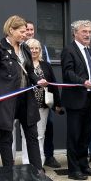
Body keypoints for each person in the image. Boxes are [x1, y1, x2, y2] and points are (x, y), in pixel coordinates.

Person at [0, 15, 47, 174]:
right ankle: (8, 173)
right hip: (7, 100)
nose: (25, 34)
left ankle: (37, 171)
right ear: (11, 30)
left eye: (26, 31)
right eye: (21, 31)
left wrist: (38, 81)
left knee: (32, 135)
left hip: (26, 98)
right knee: (6, 137)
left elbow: (30, 71)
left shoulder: (25, 48)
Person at [61, 20, 91, 180]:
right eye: (84, 31)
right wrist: (82, 81)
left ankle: (84, 165)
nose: (88, 35)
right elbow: (67, 72)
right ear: (75, 33)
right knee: (74, 136)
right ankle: (73, 170)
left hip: (90, 99)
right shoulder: (68, 50)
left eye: (89, 32)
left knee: (86, 135)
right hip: (75, 100)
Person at [19, 38, 62, 166]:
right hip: (26, 106)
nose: (34, 50)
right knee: (26, 136)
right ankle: (27, 163)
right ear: (26, 50)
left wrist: (58, 104)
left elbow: (53, 85)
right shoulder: (22, 65)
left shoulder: (46, 65)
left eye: (36, 48)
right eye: (31, 48)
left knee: (40, 135)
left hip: (43, 106)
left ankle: (39, 163)